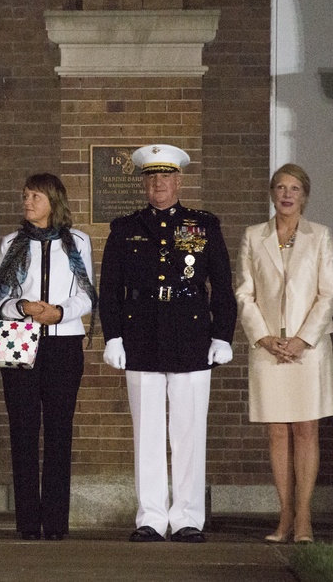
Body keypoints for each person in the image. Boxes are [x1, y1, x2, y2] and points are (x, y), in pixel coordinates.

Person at [99, 144, 236, 544]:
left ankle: (188, 517)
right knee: (147, 433)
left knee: (190, 432)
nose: (159, 184)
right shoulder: (125, 228)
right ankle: (152, 517)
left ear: (179, 180)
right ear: (144, 182)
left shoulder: (203, 225)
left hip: (191, 334)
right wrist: (113, 336)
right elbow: (110, 289)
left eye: (166, 177)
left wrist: (222, 335)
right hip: (140, 333)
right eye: (152, 177)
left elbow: (223, 286)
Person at [235, 164, 333, 544]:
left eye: (294, 188)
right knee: (277, 432)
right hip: (268, 351)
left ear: (305, 195)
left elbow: (328, 294)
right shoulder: (253, 236)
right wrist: (263, 337)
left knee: (306, 429)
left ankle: (305, 517)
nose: (287, 194)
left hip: (307, 350)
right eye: (280, 187)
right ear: (272, 193)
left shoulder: (321, 236)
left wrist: (302, 339)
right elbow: (244, 293)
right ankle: (285, 516)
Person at [0, 173, 95, 541]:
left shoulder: (78, 242)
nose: (28, 201)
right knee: (22, 430)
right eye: (25, 196)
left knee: (58, 431)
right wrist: (22, 306)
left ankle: (55, 522)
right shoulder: (11, 243)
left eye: (35, 195)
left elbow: (86, 295)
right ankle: (27, 523)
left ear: (54, 200)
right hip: (22, 341)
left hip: (63, 344)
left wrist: (60, 312)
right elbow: (0, 298)